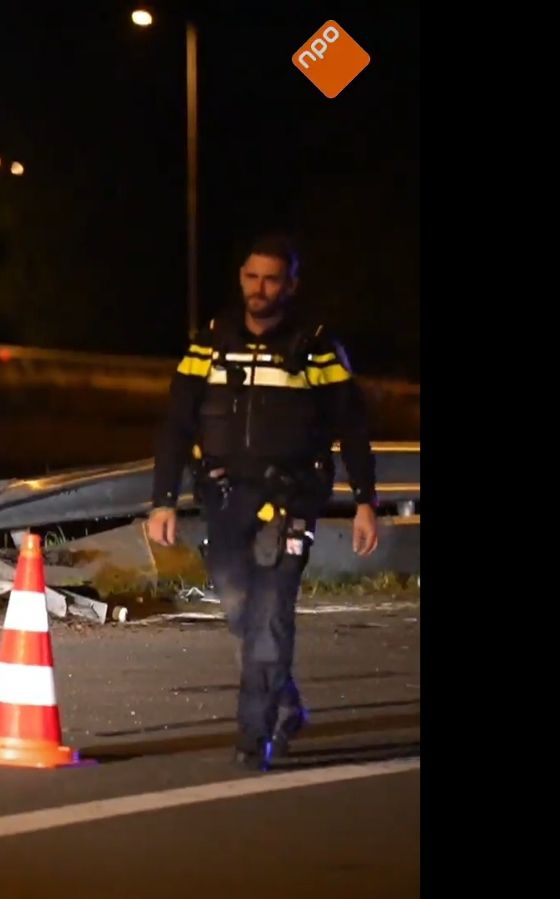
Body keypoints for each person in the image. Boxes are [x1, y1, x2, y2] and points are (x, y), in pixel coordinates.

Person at [145, 232, 381, 772]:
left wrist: (367, 500)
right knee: (239, 610)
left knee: (271, 615)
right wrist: (163, 501)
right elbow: (177, 425)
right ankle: (285, 701)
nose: (260, 288)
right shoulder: (208, 344)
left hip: (292, 498)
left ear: (290, 285)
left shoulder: (316, 348)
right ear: (241, 279)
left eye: (272, 278)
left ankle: (256, 735)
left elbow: (353, 426)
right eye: (252, 277)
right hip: (224, 498)